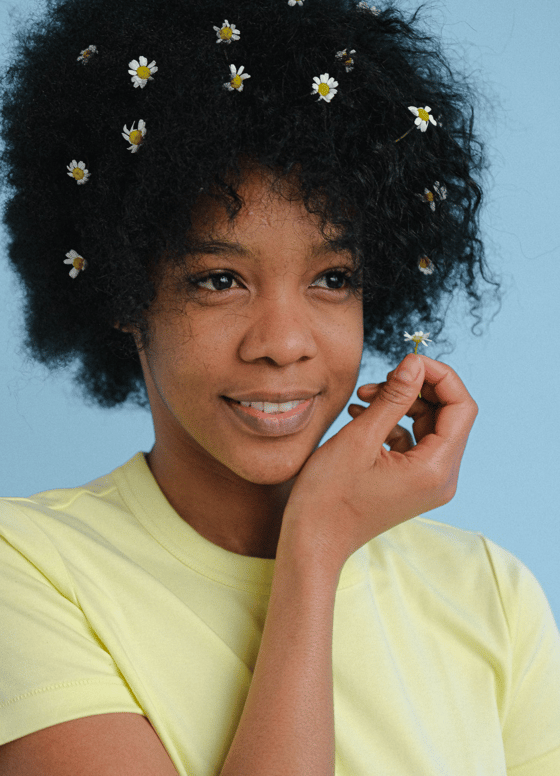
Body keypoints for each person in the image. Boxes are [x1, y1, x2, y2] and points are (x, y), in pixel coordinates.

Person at [0, 0, 559, 773]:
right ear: (127, 296)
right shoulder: (28, 570)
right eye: (219, 279)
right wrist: (315, 547)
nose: (285, 343)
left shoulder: (490, 594)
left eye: (333, 278)